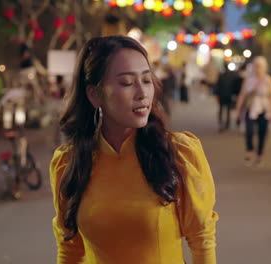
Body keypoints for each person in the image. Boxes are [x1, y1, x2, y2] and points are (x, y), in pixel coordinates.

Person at [50, 36, 218, 264]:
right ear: (94, 94)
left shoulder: (178, 154)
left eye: (147, 80)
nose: (142, 93)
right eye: (127, 83)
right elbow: (69, 250)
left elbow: (201, 241)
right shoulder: (68, 163)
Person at [235, 56, 271, 166]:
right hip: (251, 107)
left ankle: (260, 154)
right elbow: (242, 95)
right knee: (249, 130)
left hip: (264, 108)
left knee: (263, 132)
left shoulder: (268, 80)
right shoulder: (248, 80)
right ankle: (249, 151)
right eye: (256, 66)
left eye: (260, 66)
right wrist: (238, 111)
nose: (258, 68)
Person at [214, 64, 239, 132]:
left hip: (223, 95)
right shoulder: (233, 76)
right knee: (227, 110)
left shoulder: (221, 75)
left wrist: (217, 94)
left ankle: (222, 123)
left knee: (222, 109)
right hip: (228, 95)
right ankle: (226, 124)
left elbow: (217, 86)